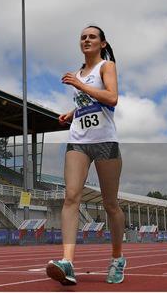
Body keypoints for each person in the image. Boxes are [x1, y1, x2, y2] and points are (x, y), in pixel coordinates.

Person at [46, 25, 125, 286]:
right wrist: (71, 113)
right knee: (71, 197)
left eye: (92, 36)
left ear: (102, 43)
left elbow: (111, 98)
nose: (86, 40)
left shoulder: (106, 66)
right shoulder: (79, 73)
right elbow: (87, 101)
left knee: (110, 204)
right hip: (78, 140)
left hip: (104, 141)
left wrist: (79, 84)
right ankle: (67, 262)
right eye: (83, 37)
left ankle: (117, 258)